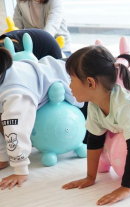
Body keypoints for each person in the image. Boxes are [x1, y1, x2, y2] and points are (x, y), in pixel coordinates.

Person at [62, 45, 130, 206]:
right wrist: (90, 177)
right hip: (123, 133)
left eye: (72, 79)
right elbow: (95, 139)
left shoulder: (125, 105)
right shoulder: (94, 104)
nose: (70, 85)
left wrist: (125, 187)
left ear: (90, 83)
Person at [0, 49, 81, 189]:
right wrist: (3, 156)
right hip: (51, 69)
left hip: (73, 79)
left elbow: (16, 130)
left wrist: (20, 170)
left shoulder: (15, 94)